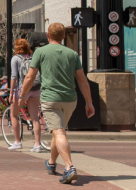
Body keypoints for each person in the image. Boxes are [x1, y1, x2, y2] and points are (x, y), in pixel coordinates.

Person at [19, 22, 95, 185]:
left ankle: (69, 167)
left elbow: (29, 77)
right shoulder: (72, 54)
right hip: (70, 100)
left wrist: (22, 95)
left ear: (48, 35)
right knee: (58, 131)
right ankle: (52, 163)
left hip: (50, 99)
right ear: (63, 36)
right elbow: (82, 80)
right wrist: (89, 102)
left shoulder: (40, 52)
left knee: (59, 132)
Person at [8, 38, 44, 153]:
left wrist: (11, 92)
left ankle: (18, 142)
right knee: (35, 117)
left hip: (22, 90)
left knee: (13, 115)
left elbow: (14, 77)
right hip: (35, 88)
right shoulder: (32, 57)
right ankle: (37, 145)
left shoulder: (15, 59)